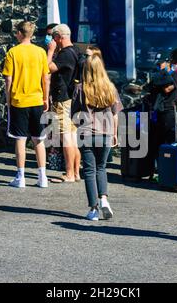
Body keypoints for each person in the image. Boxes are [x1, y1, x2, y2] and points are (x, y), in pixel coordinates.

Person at [72, 48, 123, 220]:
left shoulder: (80, 88)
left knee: (89, 171)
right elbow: (115, 113)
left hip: (86, 133)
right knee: (102, 168)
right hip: (106, 133)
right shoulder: (110, 88)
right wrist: (114, 133)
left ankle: (93, 209)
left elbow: (74, 115)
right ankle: (104, 199)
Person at [3, 21, 50, 188]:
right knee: (39, 139)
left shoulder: (13, 52)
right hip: (37, 99)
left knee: (20, 139)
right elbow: (46, 77)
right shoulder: (40, 52)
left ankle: (20, 176)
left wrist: (8, 99)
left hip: (19, 100)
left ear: (20, 34)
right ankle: (42, 176)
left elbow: (8, 79)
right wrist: (46, 98)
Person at [47, 24, 81, 183]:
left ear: (59, 37)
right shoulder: (75, 51)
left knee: (66, 136)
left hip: (63, 99)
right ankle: (75, 173)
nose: (52, 40)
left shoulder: (65, 54)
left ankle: (69, 173)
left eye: (53, 37)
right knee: (72, 137)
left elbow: (47, 68)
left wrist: (50, 51)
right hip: (71, 99)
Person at [148, 69, 177, 182]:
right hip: (163, 115)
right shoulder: (171, 77)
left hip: (167, 115)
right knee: (160, 144)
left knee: (166, 144)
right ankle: (161, 172)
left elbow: (168, 89)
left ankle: (165, 172)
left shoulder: (175, 77)